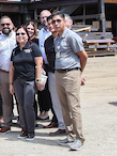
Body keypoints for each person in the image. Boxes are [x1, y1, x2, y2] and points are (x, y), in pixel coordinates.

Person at [50, 13, 87, 151]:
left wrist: (78, 73)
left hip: (71, 72)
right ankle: (70, 135)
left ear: (65, 22)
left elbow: (83, 56)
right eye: (53, 21)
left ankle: (79, 138)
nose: (56, 23)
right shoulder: (57, 38)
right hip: (59, 73)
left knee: (74, 107)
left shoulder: (72, 36)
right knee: (64, 107)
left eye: (59, 20)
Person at [9, 25, 44, 141]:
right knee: (21, 106)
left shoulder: (34, 48)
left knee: (28, 105)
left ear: (28, 35)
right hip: (18, 81)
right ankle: (24, 129)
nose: (20, 36)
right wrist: (10, 83)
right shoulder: (15, 50)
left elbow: (39, 64)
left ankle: (31, 130)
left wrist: (38, 79)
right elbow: (12, 68)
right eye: (18, 34)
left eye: (23, 34)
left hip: (30, 81)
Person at [0, 15, 16, 134]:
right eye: (3, 24)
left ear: (12, 25)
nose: (5, 26)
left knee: (21, 100)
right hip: (4, 74)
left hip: (18, 74)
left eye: (8, 24)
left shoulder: (18, 37)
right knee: (6, 101)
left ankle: (24, 124)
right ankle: (7, 123)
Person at [44, 15, 66, 136]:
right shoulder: (47, 41)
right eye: (49, 24)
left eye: (54, 23)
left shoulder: (65, 38)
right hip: (53, 72)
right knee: (56, 100)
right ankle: (62, 125)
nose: (51, 26)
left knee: (67, 100)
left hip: (66, 72)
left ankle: (71, 127)